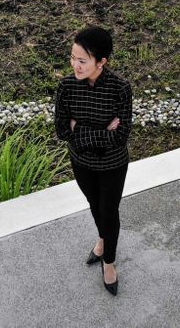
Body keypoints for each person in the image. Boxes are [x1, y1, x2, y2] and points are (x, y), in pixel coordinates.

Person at [54, 26, 133, 296]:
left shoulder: (120, 89)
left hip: (112, 164)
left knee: (109, 211)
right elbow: (62, 130)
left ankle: (108, 262)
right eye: (73, 58)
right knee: (93, 204)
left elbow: (121, 136)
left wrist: (80, 129)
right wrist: (99, 132)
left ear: (101, 62)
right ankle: (101, 240)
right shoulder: (65, 87)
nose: (75, 65)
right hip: (81, 163)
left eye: (82, 60)